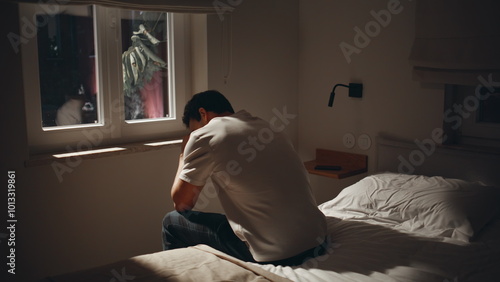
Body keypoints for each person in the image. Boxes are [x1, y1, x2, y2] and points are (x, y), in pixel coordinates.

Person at [162, 90, 327, 266]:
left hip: (277, 253)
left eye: (193, 127)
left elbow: (181, 203)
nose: (193, 133)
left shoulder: (204, 135)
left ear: (203, 114)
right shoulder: (268, 128)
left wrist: (183, 156)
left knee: (171, 221)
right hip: (318, 240)